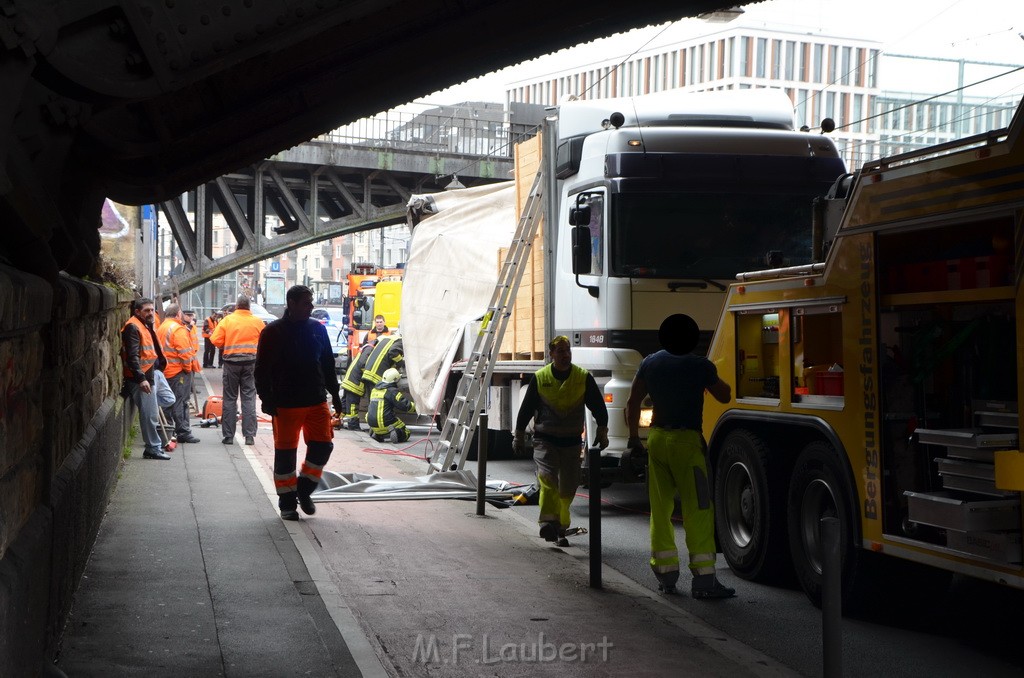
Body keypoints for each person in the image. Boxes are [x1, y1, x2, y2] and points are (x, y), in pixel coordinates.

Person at [625, 313, 734, 600]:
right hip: (687, 443)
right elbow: (724, 395)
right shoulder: (700, 366)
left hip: (658, 440)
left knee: (659, 509)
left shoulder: (650, 362)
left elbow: (633, 401)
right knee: (697, 509)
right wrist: (713, 375)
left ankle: (666, 576)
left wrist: (634, 439)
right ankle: (705, 581)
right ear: (692, 337)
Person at [255, 285, 343, 521]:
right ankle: (287, 504)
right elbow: (261, 370)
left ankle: (303, 490)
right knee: (285, 455)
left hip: (316, 401)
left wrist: (335, 395)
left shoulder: (317, 330)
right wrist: (266, 399)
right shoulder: (273, 332)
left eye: (311, 302)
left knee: (324, 446)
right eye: (306, 302)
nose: (311, 306)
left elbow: (327, 365)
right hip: (285, 404)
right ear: (291, 303)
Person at [513, 335, 608, 547]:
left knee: (568, 487)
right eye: (561, 351)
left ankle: (561, 525)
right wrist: (519, 434)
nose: (566, 355)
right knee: (548, 480)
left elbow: (598, 407)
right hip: (545, 440)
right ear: (551, 354)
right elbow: (526, 408)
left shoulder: (582, 377)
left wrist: (602, 429)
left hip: (572, 442)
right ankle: (548, 523)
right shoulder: (541, 377)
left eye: (568, 351)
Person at [211, 296, 265, 445]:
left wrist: (227, 343)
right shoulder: (257, 322)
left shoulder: (227, 321)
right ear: (249, 307)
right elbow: (266, 341)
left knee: (229, 399)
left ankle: (228, 436)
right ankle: (249, 436)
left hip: (231, 364)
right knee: (248, 398)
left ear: (236, 306)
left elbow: (215, 340)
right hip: (251, 364)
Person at [120, 298, 169, 460]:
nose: (150, 313)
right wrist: (141, 379)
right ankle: (152, 448)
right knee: (150, 415)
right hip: (141, 379)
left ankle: (153, 443)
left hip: (152, 373)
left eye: (152, 310)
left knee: (168, 399)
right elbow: (132, 357)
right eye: (146, 310)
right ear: (137, 312)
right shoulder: (133, 327)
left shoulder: (144, 324)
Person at [158, 303, 201, 444]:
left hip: (165, 371)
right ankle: (183, 432)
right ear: (177, 314)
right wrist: (188, 369)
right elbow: (185, 354)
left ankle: (169, 430)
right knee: (181, 402)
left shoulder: (162, 327)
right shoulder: (178, 329)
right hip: (178, 372)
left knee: (168, 402)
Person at [366, 368, 416, 443]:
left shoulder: (374, 390)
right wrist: (417, 408)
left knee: (381, 422)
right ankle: (397, 432)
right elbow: (404, 405)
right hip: (386, 422)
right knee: (406, 431)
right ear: (395, 380)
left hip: (371, 422)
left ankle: (377, 433)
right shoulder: (391, 391)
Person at [338, 338, 377, 430]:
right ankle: (353, 424)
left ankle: (337, 420)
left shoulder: (366, 348)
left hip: (350, 380)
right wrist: (368, 374)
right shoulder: (370, 349)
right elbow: (362, 363)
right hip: (355, 382)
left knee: (344, 404)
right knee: (352, 404)